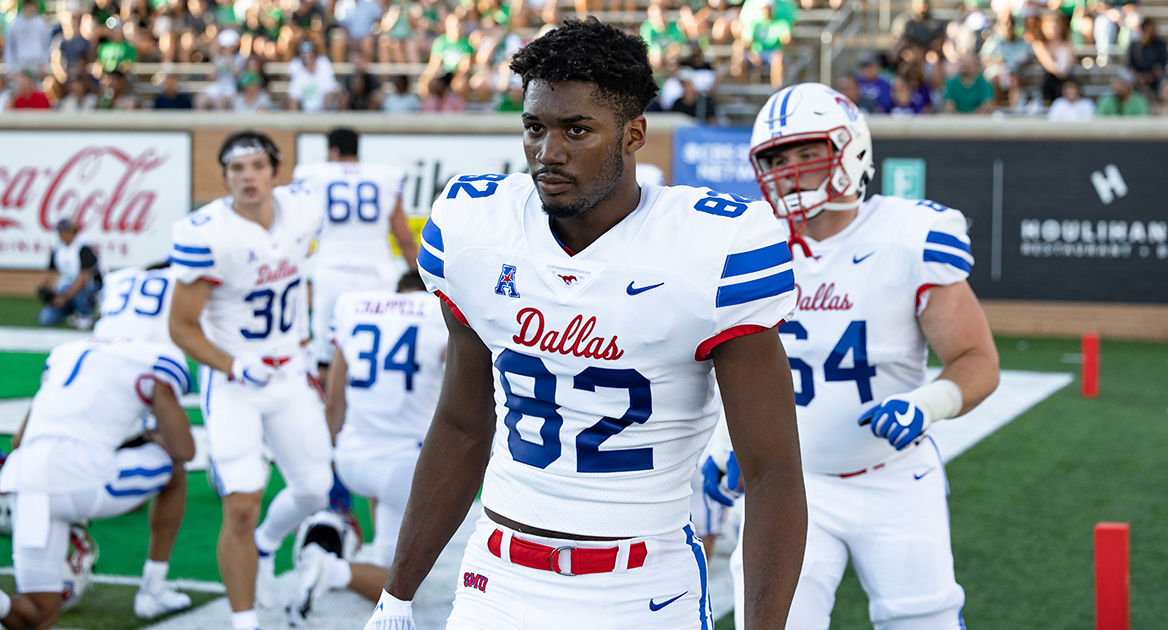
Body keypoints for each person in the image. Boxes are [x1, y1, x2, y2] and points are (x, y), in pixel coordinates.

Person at [363, 18, 807, 630]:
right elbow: (463, 425)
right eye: (534, 127)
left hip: (643, 586)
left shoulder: (713, 248)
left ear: (633, 135)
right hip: (498, 576)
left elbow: (773, 470)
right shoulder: (476, 231)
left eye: (577, 130)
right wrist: (397, 596)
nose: (549, 153)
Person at [718, 82, 999, 629]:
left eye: (808, 152)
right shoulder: (751, 243)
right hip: (791, 482)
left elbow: (976, 358)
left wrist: (929, 404)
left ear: (850, 149)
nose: (792, 170)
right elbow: (720, 366)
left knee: (925, 621)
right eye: (778, 158)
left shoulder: (909, 234)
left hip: (894, 476)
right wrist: (721, 447)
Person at [168, 131, 334, 630]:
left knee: (314, 491)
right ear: (225, 178)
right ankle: (246, 623)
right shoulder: (207, 234)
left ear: (275, 173)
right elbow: (180, 326)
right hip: (236, 380)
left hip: (291, 373)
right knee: (241, 504)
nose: (247, 176)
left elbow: (300, 269)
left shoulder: (303, 209)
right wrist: (236, 365)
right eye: (236, 168)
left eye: (257, 165)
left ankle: (266, 544)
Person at [0, 336, 197, 629]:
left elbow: (18, 440)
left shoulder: (66, 355)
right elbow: (184, 450)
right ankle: (153, 588)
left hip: (25, 479)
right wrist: (151, 436)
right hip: (80, 476)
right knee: (173, 469)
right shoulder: (156, 362)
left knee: (38, 615)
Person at [288, 270, 448, 622]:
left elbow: (334, 399)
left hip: (351, 455)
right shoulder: (436, 312)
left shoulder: (355, 307)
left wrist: (330, 454)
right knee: (400, 586)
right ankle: (331, 569)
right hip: (402, 465)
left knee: (389, 550)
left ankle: (366, 557)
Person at [291, 128, 420, 378]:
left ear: (334, 150)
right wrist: (419, 277)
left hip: (331, 272)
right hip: (377, 273)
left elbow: (298, 228)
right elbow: (403, 237)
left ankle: (331, 413)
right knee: (375, 352)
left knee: (326, 359)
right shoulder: (384, 176)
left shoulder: (314, 174)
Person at [37, 218, 103, 329]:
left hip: (90, 286)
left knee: (79, 292)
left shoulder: (83, 247)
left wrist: (65, 297)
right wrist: (44, 287)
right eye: (60, 231)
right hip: (66, 287)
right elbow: (50, 271)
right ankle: (72, 312)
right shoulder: (58, 248)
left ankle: (86, 316)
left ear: (73, 231)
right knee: (46, 319)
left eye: (65, 231)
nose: (62, 234)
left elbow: (84, 277)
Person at [1127, 17, 1168, 93]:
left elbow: (1162, 64)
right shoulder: (1134, 46)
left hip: (1155, 77)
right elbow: (1130, 65)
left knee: (1166, 81)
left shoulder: (1161, 45)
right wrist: (1139, 77)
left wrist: (1150, 77)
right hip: (1137, 77)